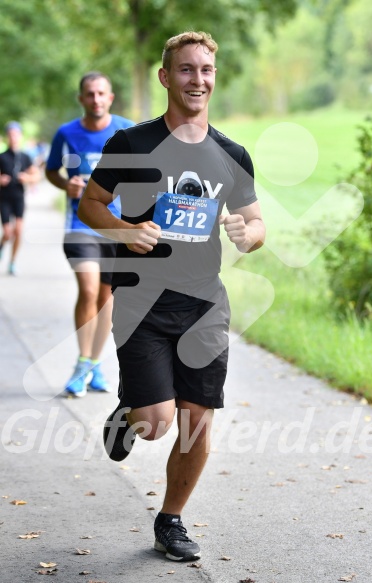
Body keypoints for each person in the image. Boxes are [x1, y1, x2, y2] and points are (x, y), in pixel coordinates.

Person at [78, 32, 266, 561]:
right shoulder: (131, 144)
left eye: (205, 70)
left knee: (198, 417)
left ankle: (171, 520)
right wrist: (122, 231)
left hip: (204, 303)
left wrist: (248, 235)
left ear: (214, 77)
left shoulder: (231, 154)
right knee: (156, 423)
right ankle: (130, 411)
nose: (197, 80)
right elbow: (92, 203)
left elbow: (256, 223)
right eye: (185, 70)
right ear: (166, 77)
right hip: (141, 301)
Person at [45, 72, 135, 397]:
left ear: (110, 98)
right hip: (81, 225)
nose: (96, 99)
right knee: (88, 288)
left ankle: (92, 363)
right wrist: (64, 184)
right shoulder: (66, 133)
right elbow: (51, 169)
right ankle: (84, 363)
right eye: (89, 94)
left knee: (105, 298)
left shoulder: (127, 129)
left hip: (116, 227)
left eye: (101, 94)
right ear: (81, 98)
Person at [0, 121, 41, 275]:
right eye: (10, 135)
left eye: (16, 135)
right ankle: (2, 246)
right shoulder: (2, 157)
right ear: (7, 137)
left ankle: (12, 262)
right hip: (4, 198)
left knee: (18, 230)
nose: (13, 138)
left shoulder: (25, 157)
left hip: (18, 197)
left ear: (20, 136)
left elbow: (36, 175)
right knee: (7, 232)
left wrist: (27, 178)